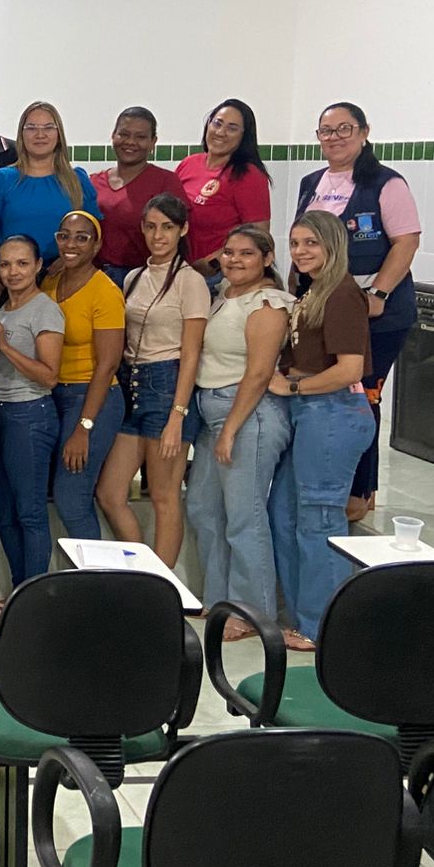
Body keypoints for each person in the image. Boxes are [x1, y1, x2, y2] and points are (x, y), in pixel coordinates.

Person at [296, 102, 421, 523]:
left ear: (364, 132)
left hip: (377, 313)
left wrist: (378, 293)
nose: (333, 138)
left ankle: (359, 491)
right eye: (325, 130)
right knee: (330, 392)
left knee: (361, 395)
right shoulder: (311, 183)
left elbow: (406, 242)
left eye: (343, 129)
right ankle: (334, 483)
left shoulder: (387, 183)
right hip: (323, 309)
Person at [267, 210, 375, 650]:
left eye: (311, 242)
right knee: (283, 512)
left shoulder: (343, 294)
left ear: (332, 245)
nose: (300, 251)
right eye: (295, 243)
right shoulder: (312, 291)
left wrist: (292, 386)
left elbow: (349, 369)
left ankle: (323, 627)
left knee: (319, 519)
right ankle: (302, 615)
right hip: (311, 415)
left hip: (334, 414)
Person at [186, 227, 292, 639]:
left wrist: (231, 428)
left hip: (248, 414)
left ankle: (252, 613)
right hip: (212, 410)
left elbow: (260, 372)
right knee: (204, 508)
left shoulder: (267, 303)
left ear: (267, 258)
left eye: (246, 253)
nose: (234, 260)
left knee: (244, 516)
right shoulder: (222, 295)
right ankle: (220, 602)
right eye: (229, 252)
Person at [95, 195, 209, 567]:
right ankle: (145, 571)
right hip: (132, 383)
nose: (158, 236)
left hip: (168, 383)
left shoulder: (191, 282)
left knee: (163, 495)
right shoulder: (134, 277)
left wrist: (178, 415)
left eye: (167, 227)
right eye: (151, 226)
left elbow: (191, 354)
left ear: (183, 230)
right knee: (110, 493)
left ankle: (164, 586)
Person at [0, 234, 64, 624]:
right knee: (2, 510)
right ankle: (19, 592)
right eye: (5, 264)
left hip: (29, 414)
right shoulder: (0, 310)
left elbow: (49, 376)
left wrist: (3, 345)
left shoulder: (45, 310)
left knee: (30, 512)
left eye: (21, 263)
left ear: (37, 266)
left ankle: (33, 603)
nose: (13, 272)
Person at [41, 211, 126, 539]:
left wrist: (84, 428)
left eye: (81, 237)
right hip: (54, 395)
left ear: (96, 245)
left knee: (72, 498)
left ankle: (98, 572)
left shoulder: (104, 291)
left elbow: (108, 365)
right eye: (64, 236)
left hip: (92, 398)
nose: (71, 244)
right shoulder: (51, 282)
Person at [0, 101, 99, 278]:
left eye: (48, 128)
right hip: (14, 278)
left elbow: (94, 234)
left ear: (59, 134)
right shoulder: (1, 180)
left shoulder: (77, 180)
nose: (40, 135)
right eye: (32, 128)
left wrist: (66, 261)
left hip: (65, 276)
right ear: (21, 134)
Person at [175, 99, 271, 285]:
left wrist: (211, 264)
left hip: (219, 277)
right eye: (217, 123)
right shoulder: (188, 164)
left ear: (244, 136)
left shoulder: (248, 175)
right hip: (182, 272)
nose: (221, 132)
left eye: (232, 128)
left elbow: (259, 235)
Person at [89, 107, 185, 288]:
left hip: (146, 279)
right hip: (95, 278)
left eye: (140, 137)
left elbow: (180, 238)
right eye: (124, 134)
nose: (130, 142)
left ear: (153, 142)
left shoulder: (165, 182)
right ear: (113, 136)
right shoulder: (93, 182)